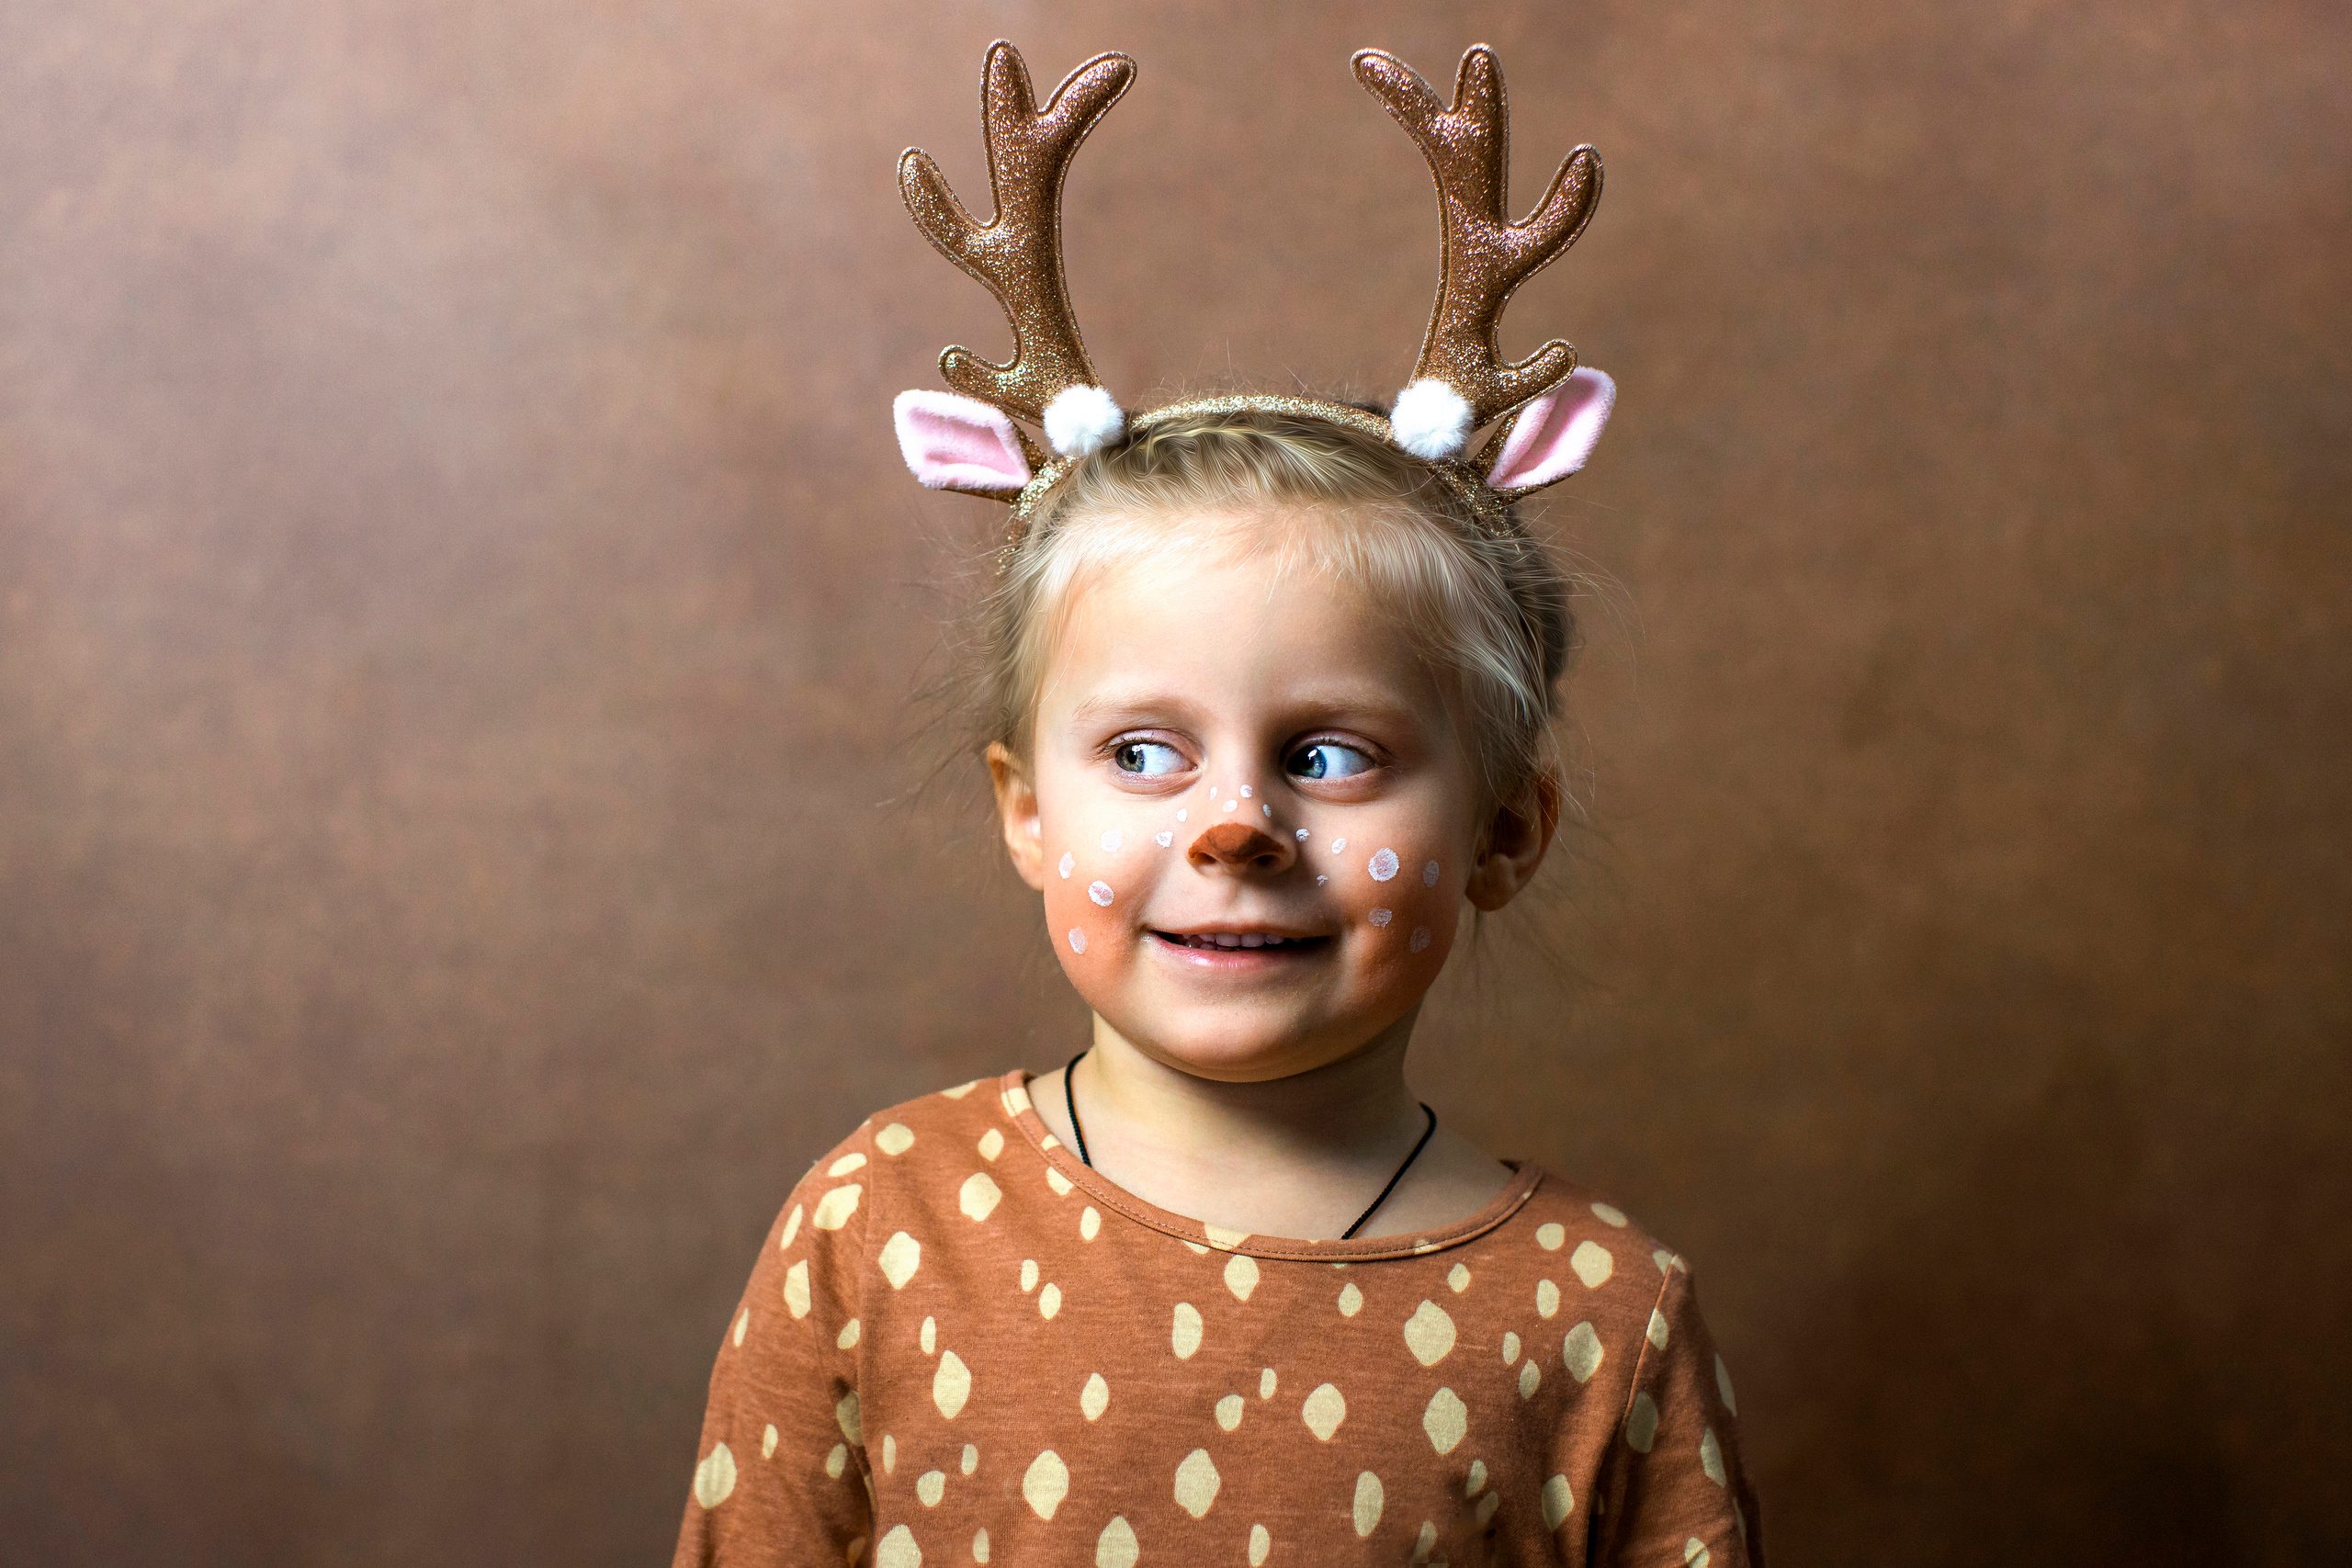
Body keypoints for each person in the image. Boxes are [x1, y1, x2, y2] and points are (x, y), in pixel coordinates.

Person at [673, 39, 1760, 1568]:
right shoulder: (880, 1227)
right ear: (1025, 812)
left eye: (1328, 757)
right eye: (1142, 755)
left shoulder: (1599, 1317)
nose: (1234, 825)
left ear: (1505, 831)